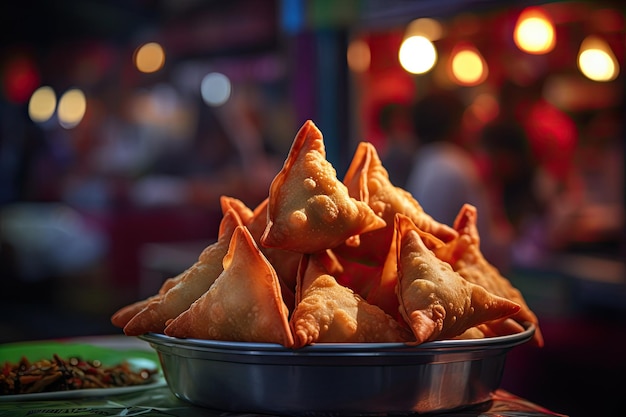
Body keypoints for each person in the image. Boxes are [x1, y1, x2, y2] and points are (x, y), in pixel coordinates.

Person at [405, 90, 512, 271]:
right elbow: (483, 241)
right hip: (459, 275)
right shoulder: (457, 166)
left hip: (429, 270)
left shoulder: (425, 161)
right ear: (455, 123)